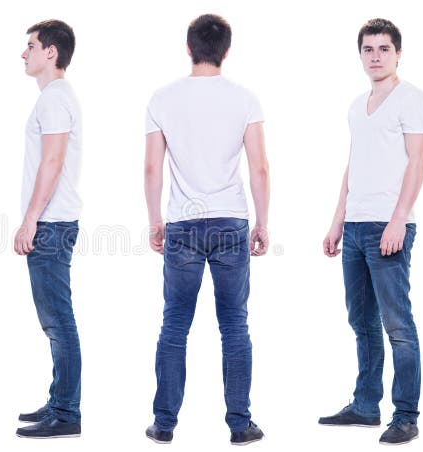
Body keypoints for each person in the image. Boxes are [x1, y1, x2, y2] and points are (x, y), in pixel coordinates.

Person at [143, 14, 271, 446]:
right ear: (226, 51)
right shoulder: (245, 99)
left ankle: (164, 424)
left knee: (174, 324)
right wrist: (263, 222)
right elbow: (259, 167)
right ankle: (240, 424)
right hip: (230, 220)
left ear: (188, 47)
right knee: (234, 325)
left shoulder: (162, 99)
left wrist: (154, 220)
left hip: (183, 222)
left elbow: (151, 168)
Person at [318, 18, 423, 446]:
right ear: (361, 55)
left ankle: (405, 415)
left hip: (390, 225)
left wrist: (398, 219)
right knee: (360, 320)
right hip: (355, 225)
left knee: (397, 324)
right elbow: (354, 163)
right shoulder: (356, 105)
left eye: (384, 49)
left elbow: (418, 162)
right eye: (368, 49)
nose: (376, 56)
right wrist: (336, 220)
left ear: (398, 53)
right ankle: (366, 405)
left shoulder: (411, 99)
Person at [14, 19, 83, 440]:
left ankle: (67, 411)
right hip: (54, 222)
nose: (24, 53)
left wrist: (29, 220)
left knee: (58, 321)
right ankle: (60, 398)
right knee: (54, 320)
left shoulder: (54, 100)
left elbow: (52, 162)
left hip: (52, 225)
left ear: (51, 52)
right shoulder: (55, 98)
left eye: (30, 46)